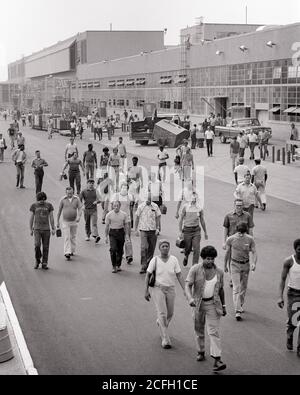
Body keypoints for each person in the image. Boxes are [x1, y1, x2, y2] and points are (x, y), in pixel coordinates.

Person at [185, 246, 227, 372]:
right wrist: (190, 298)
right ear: (203, 258)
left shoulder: (219, 272)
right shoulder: (195, 269)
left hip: (213, 304)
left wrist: (224, 306)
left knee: (213, 331)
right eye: (208, 259)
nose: (210, 261)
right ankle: (201, 351)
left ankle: (217, 359)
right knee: (199, 328)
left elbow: (221, 290)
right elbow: (188, 285)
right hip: (197, 303)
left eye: (212, 259)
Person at [145, 240, 185, 349]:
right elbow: (148, 275)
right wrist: (146, 290)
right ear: (159, 248)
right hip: (158, 288)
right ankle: (165, 339)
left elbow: (179, 275)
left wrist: (185, 289)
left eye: (167, 246)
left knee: (170, 313)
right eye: (163, 246)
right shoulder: (155, 260)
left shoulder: (174, 260)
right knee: (162, 313)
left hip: (171, 288)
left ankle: (161, 322)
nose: (165, 248)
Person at [224, 222, 257, 321]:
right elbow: (227, 252)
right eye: (239, 232)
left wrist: (254, 263)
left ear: (246, 231)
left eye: (243, 233)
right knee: (236, 287)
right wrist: (225, 265)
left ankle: (240, 304)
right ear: (236, 231)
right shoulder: (231, 239)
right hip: (234, 265)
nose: (241, 234)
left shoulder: (250, 239)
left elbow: (254, 252)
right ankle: (237, 310)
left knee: (243, 287)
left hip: (245, 266)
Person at [223, 199, 254, 287]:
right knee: (231, 259)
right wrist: (224, 242)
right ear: (234, 206)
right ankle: (233, 278)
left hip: (244, 241)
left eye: (240, 205)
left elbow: (251, 229)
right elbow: (225, 229)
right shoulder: (228, 216)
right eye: (237, 205)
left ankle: (241, 277)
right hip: (232, 241)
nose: (239, 207)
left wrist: (251, 241)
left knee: (243, 259)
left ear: (243, 206)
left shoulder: (247, 216)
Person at [278, 239, 300, 357]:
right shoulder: (289, 261)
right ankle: (290, 335)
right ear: (295, 249)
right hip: (294, 294)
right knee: (293, 321)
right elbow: (282, 279)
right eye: (299, 249)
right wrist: (280, 297)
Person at [179, 191, 208, 266]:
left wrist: (205, 232)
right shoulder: (185, 207)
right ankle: (186, 256)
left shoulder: (199, 208)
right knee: (187, 248)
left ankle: (194, 266)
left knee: (196, 249)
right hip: (187, 230)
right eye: (192, 198)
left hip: (196, 230)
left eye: (195, 198)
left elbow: (202, 220)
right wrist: (180, 231)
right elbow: (181, 219)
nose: (193, 200)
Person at [135, 193, 161, 274]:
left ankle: (149, 265)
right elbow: (137, 217)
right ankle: (143, 265)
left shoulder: (155, 206)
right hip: (143, 229)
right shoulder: (141, 207)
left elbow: (158, 218)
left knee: (151, 248)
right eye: (147, 199)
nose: (148, 201)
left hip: (153, 230)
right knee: (144, 247)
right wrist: (136, 229)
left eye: (149, 199)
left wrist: (158, 228)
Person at [29, 192, 55, 270]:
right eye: (40, 200)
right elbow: (31, 218)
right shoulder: (34, 206)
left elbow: (51, 217)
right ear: (37, 199)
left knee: (46, 247)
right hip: (37, 229)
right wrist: (30, 229)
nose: (42, 201)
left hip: (46, 229)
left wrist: (53, 228)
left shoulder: (49, 205)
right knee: (37, 245)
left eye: (43, 200)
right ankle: (37, 260)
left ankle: (44, 263)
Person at [111, 183, 135, 264]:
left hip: (127, 219)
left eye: (126, 188)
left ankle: (129, 255)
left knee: (127, 237)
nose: (124, 189)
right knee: (119, 239)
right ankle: (120, 253)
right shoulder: (115, 196)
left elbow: (131, 209)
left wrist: (132, 221)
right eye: (123, 187)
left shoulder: (130, 196)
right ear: (120, 188)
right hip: (117, 220)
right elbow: (112, 207)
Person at [57, 187, 82, 260]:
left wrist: (79, 217)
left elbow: (80, 208)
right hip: (65, 222)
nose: (69, 194)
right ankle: (67, 252)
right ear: (66, 193)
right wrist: (57, 222)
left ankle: (72, 250)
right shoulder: (63, 199)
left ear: (73, 192)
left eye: (71, 193)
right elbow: (59, 211)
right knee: (67, 237)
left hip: (74, 221)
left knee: (73, 237)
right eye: (68, 193)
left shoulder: (76, 199)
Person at [105, 201, 129, 273]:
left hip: (121, 232)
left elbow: (126, 225)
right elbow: (107, 226)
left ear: (120, 206)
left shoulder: (124, 214)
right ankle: (114, 266)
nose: (116, 207)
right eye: (114, 206)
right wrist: (106, 236)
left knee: (120, 250)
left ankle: (118, 265)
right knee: (113, 249)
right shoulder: (109, 215)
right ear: (112, 206)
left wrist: (127, 235)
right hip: (112, 233)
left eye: (117, 206)